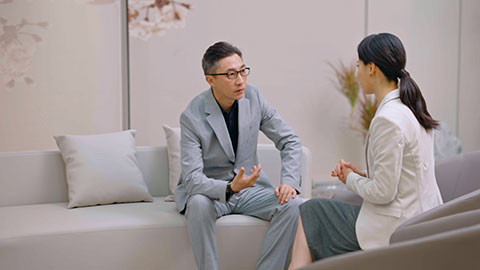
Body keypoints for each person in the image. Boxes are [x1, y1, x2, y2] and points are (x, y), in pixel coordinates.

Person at [288, 33, 443, 269]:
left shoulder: (388, 120)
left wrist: (349, 179)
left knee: (312, 210)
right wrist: (361, 176)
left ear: (372, 68)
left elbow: (384, 193)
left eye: (358, 65)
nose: (357, 72)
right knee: (315, 212)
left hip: (396, 229)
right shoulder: (409, 108)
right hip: (418, 220)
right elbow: (402, 181)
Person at [174, 41, 303, 270]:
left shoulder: (253, 97)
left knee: (291, 204)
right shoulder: (192, 116)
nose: (240, 80)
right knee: (198, 205)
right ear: (210, 79)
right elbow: (192, 179)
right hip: (210, 193)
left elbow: (289, 140)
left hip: (249, 191)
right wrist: (229, 188)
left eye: (243, 71)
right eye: (231, 74)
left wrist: (289, 183)